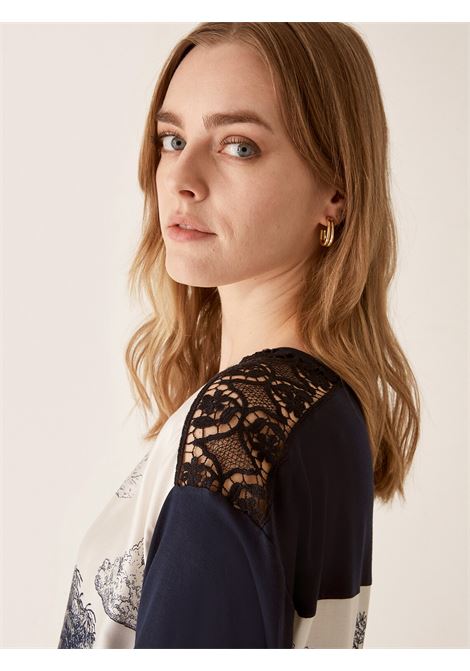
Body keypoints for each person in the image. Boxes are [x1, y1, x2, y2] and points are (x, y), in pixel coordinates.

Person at [58, 22, 421, 649]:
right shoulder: (329, 411)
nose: (181, 177)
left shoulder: (237, 426)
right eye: (173, 139)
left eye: (239, 146)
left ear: (336, 191)